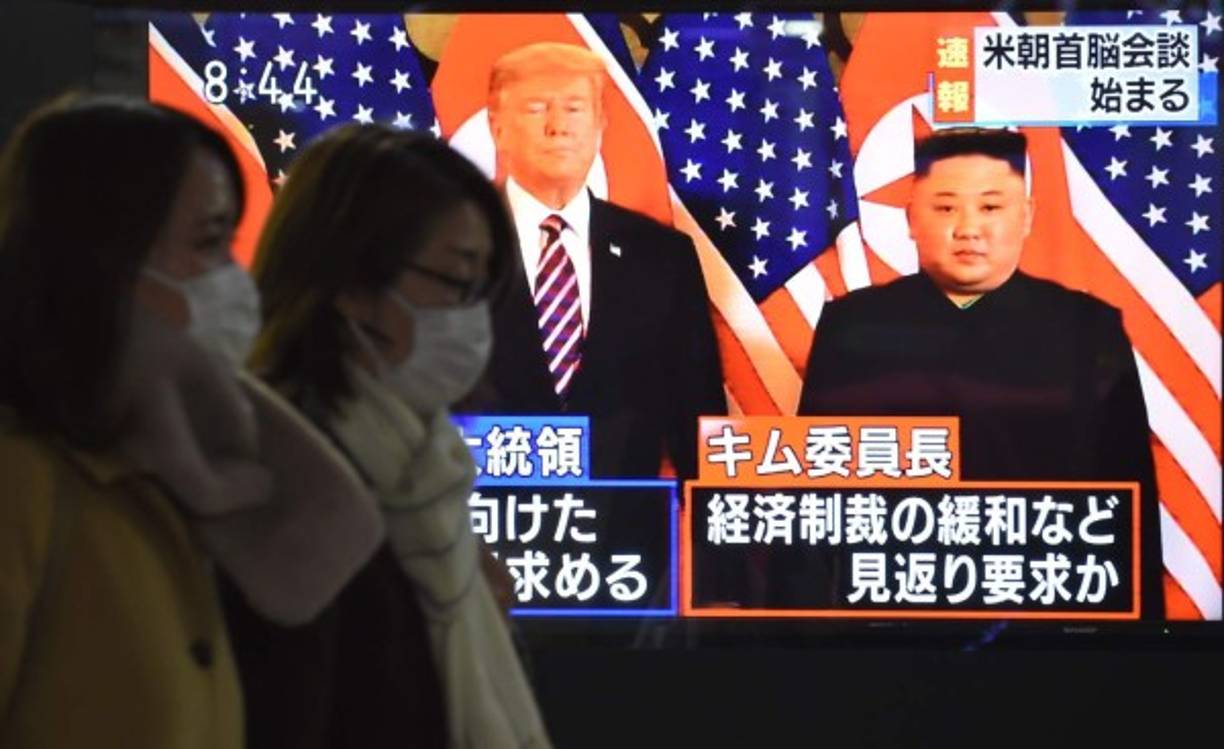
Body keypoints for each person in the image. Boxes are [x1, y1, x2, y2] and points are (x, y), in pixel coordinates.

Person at [0, 96, 379, 748]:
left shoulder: (183, 471)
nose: (234, 280)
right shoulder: (23, 479)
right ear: (106, 252)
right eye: (209, 242)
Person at [235, 124, 549, 748]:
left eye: (486, 287)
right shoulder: (278, 471)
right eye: (458, 282)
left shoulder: (426, 462)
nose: (476, 317)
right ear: (352, 282)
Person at [797, 127, 1164, 618]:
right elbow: (811, 485)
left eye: (991, 207)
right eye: (945, 208)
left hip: (1047, 607)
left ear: (1027, 216)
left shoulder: (1087, 327)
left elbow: (1128, 491)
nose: (969, 228)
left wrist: (1139, 641)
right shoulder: (853, 325)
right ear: (910, 219)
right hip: (887, 608)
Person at [477, 41, 725, 480]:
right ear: (497, 127)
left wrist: (710, 542)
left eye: (574, 108)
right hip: (473, 535)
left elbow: (697, 422)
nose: (559, 127)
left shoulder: (663, 257)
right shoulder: (438, 252)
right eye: (536, 108)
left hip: (627, 536)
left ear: (600, 125)